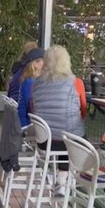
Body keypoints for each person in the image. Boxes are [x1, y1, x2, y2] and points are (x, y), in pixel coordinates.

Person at [32, 45, 86, 197]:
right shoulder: (76, 82)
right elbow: (83, 112)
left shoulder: (36, 84)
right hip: (71, 143)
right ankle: (62, 180)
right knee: (70, 136)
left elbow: (33, 108)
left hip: (44, 142)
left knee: (64, 135)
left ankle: (56, 177)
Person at [17, 47, 45, 127]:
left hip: (29, 123)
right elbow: (32, 108)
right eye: (44, 60)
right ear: (35, 64)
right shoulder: (30, 83)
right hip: (28, 126)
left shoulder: (31, 80)